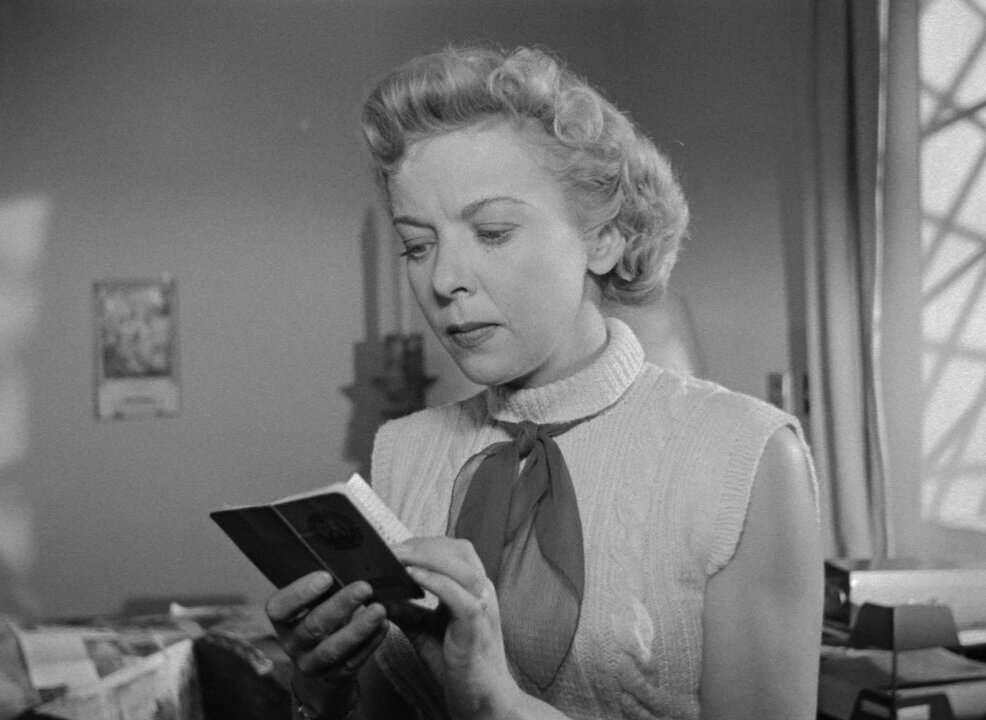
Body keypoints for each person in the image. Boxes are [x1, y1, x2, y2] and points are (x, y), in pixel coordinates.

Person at [266, 45, 823, 720]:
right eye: (417, 245)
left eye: (492, 232)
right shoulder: (402, 452)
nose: (444, 280)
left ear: (603, 239)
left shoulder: (747, 458)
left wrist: (500, 706)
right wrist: (321, 694)